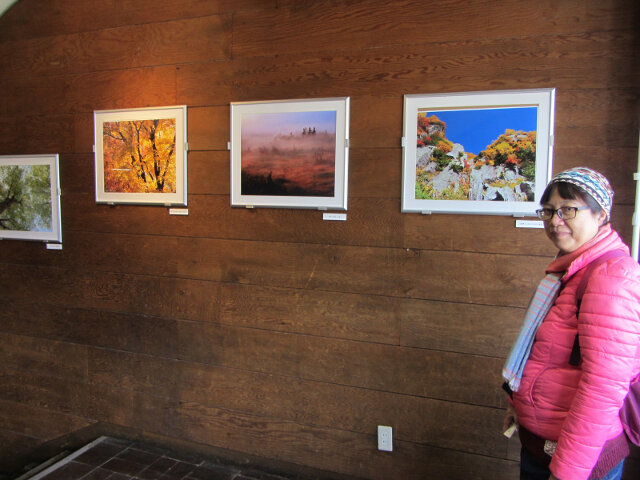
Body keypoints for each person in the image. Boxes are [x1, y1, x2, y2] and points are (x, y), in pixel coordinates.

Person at [502, 167, 640, 480]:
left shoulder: (611, 276)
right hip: (543, 445)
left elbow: (602, 389)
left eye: (568, 209)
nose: (554, 220)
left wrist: (566, 474)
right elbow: (545, 353)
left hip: (577, 463)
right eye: (549, 211)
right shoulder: (570, 270)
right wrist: (518, 404)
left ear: (601, 214)